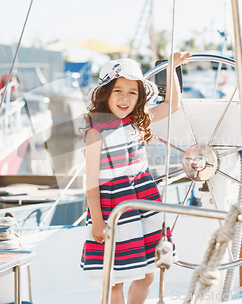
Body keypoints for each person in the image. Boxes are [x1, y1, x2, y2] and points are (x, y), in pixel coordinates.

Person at [80, 52, 191, 304]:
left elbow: (173, 104)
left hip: (143, 201)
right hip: (112, 207)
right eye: (118, 90)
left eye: (132, 92)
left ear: (140, 97)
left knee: (148, 274)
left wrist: (171, 67)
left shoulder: (139, 121)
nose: (125, 98)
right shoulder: (95, 131)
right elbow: (91, 182)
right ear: (105, 94)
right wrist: (97, 221)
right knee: (114, 278)